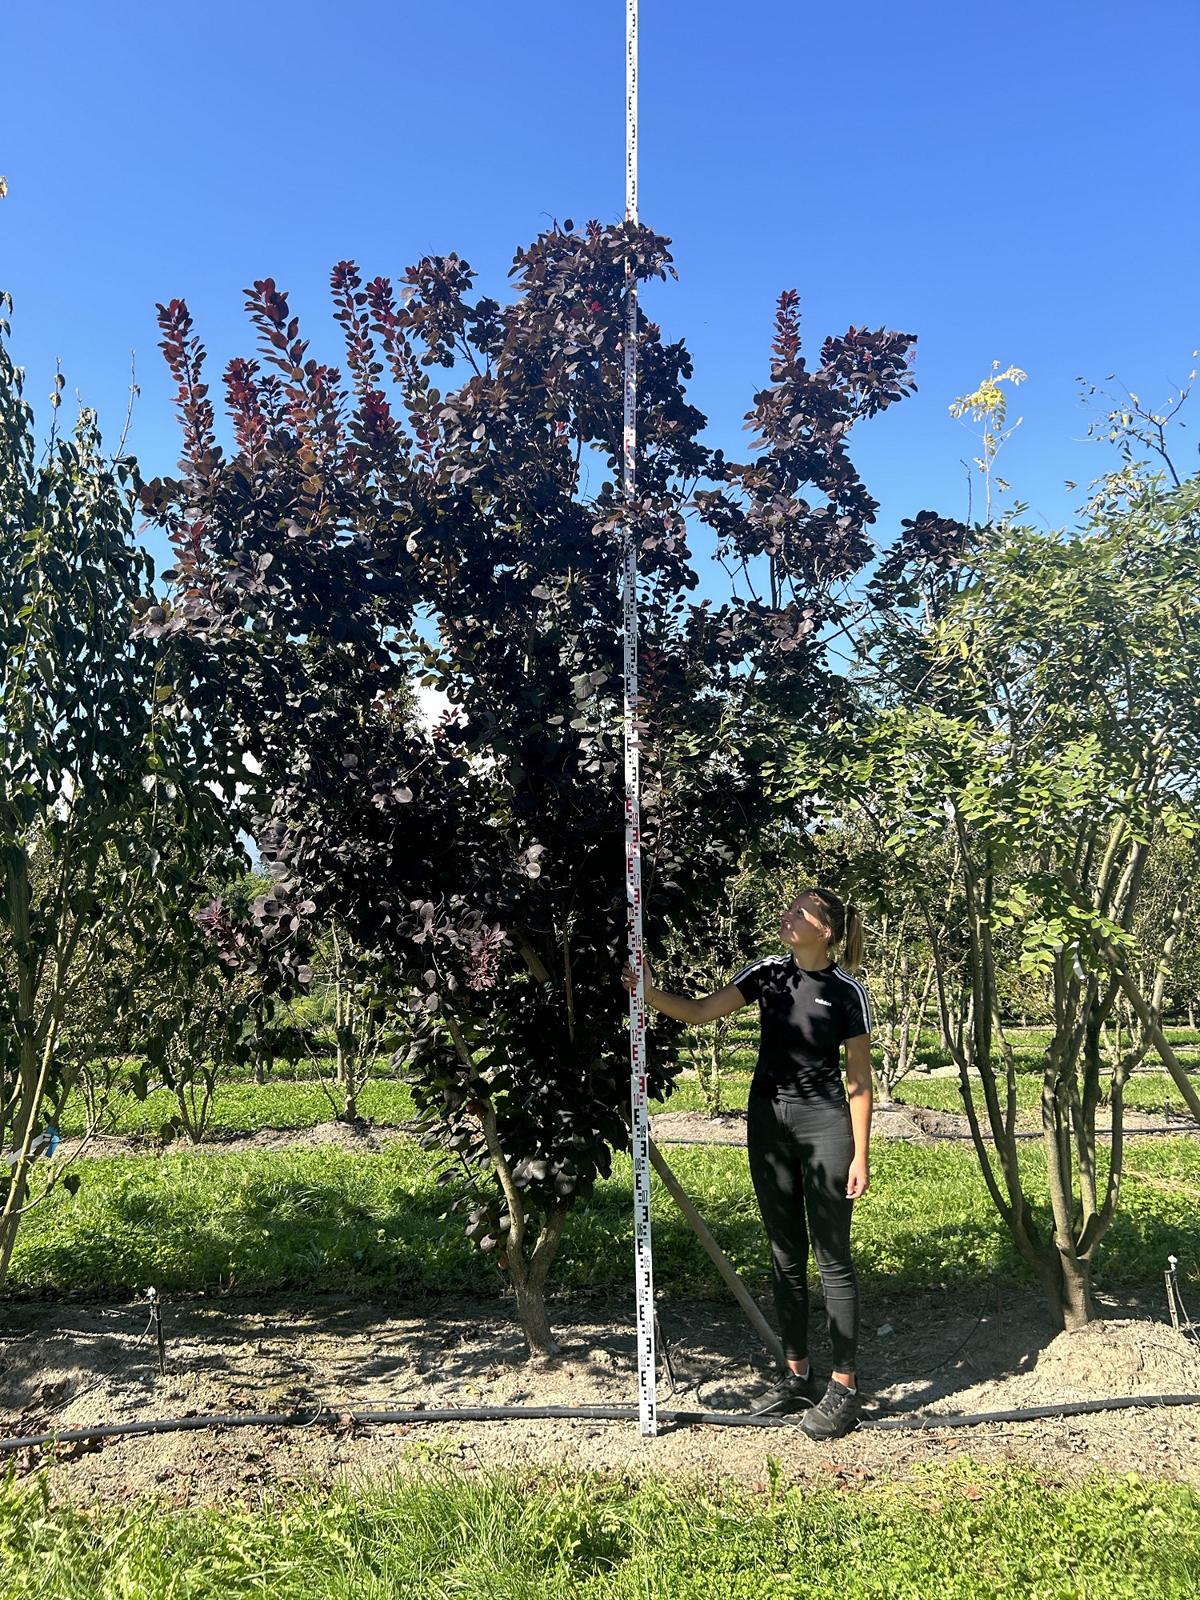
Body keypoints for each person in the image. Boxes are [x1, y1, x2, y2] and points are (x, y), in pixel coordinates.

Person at [622, 886, 873, 1440]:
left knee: (831, 1257)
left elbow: (858, 1080)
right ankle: (797, 1375)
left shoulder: (848, 992)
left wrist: (860, 1152)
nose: (787, 917)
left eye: (799, 913)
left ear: (825, 930)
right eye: (788, 910)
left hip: (824, 1126)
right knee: (785, 1255)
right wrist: (648, 991)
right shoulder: (766, 975)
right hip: (767, 1124)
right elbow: (698, 1013)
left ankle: (844, 1386)